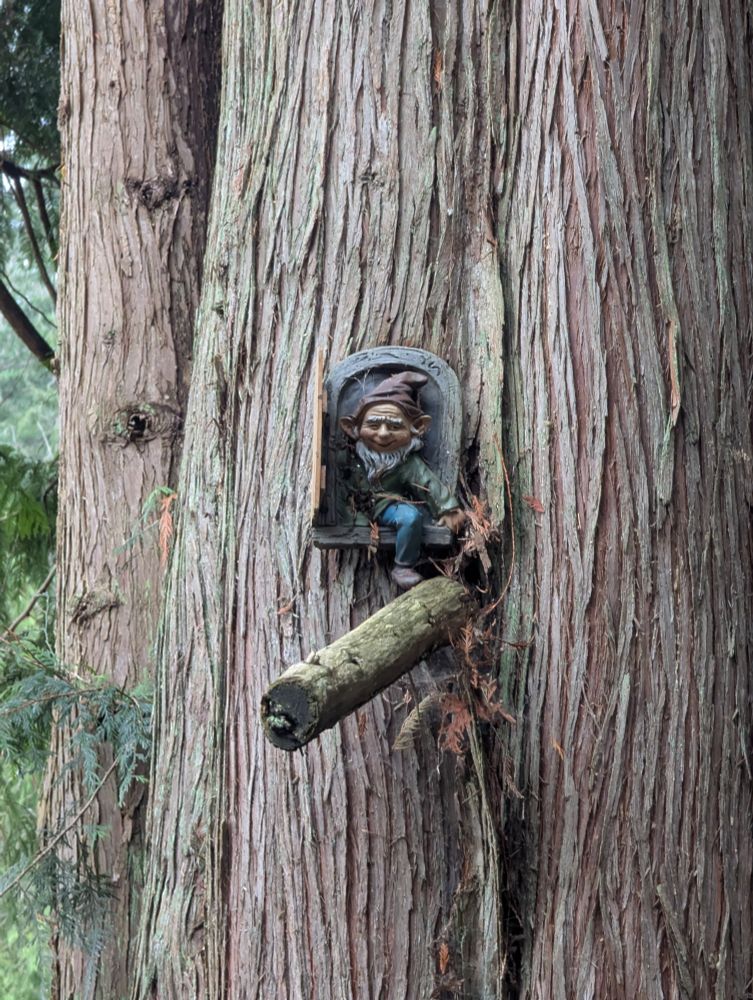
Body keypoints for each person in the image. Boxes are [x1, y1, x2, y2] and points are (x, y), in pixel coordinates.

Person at [339, 371, 465, 589]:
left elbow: (427, 483)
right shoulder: (352, 459)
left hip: (388, 507)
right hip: (356, 509)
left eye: (395, 426)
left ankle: (403, 565)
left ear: (416, 428)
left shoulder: (406, 463)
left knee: (411, 517)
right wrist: (356, 520)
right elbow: (341, 489)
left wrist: (446, 508)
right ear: (354, 429)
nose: (384, 433)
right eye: (374, 425)